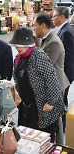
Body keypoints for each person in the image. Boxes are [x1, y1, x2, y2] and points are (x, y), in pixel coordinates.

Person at [10, 27, 65, 142]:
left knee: (42, 138)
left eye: (20, 44)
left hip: (42, 105)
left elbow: (52, 81)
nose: (17, 47)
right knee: (26, 136)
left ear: (28, 44)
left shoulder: (38, 56)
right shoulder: (18, 59)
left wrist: (50, 103)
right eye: (15, 44)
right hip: (27, 105)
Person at [35, 13, 70, 144]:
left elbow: (45, 65)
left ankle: (59, 145)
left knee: (56, 118)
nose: (34, 28)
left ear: (42, 25)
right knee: (52, 118)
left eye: (35, 25)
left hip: (55, 85)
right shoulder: (45, 39)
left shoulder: (53, 42)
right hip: (50, 84)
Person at [52, 6, 74, 132]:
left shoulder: (66, 31)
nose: (53, 18)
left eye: (54, 16)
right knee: (62, 97)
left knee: (62, 97)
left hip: (65, 72)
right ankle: (62, 125)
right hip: (65, 71)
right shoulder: (64, 29)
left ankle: (63, 126)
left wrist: (61, 75)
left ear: (61, 17)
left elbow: (68, 56)